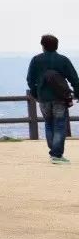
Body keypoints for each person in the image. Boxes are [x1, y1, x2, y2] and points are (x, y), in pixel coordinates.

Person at [26, 34, 79, 164]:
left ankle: (54, 153)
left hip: (43, 98)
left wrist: (35, 94)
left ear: (43, 45)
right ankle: (57, 155)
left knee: (48, 123)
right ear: (56, 45)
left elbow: (30, 79)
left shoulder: (36, 60)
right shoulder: (63, 60)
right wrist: (77, 93)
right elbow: (74, 79)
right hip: (60, 98)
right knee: (60, 125)